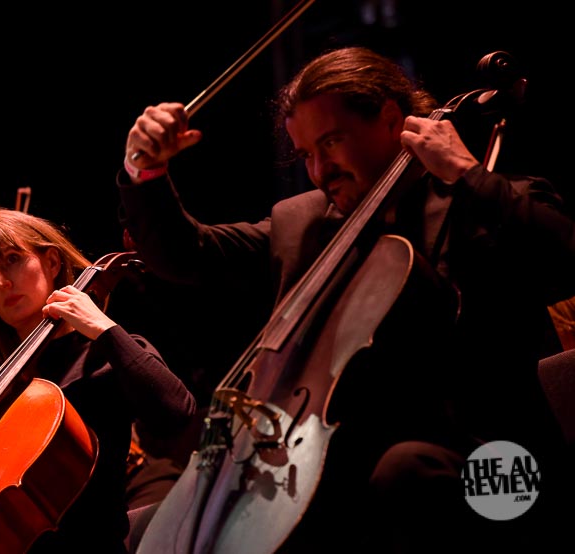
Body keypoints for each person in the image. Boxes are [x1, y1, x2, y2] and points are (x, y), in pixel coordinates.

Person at [116, 46, 575, 552]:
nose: (320, 170)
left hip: (501, 465)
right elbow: (190, 254)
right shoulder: (306, 224)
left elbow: (564, 258)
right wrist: (146, 173)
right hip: (349, 466)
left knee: (403, 472)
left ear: (392, 119)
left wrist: (466, 172)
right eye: (306, 154)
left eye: (331, 142)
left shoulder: (481, 202)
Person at [0, 207, 197, 553]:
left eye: (12, 259)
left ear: (52, 262)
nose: (2, 282)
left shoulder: (104, 357)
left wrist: (104, 329)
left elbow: (177, 414)